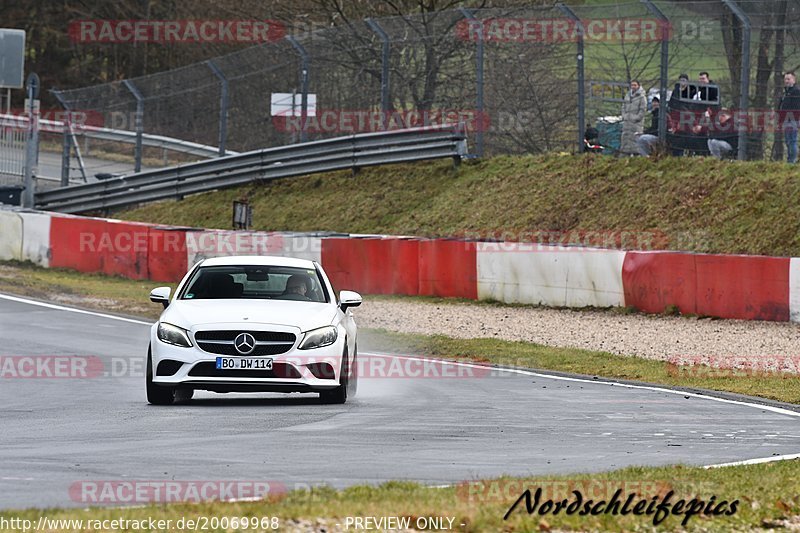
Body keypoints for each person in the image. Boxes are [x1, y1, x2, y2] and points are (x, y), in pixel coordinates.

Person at [620, 80, 646, 155]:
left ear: (638, 86)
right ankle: (625, 154)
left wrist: (636, 118)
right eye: (632, 85)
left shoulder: (642, 97)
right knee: (625, 139)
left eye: (635, 85)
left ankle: (636, 155)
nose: (633, 87)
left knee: (635, 140)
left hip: (636, 123)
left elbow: (643, 110)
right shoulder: (627, 95)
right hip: (626, 122)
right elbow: (623, 106)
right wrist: (624, 116)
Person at [779, 71, 800, 163]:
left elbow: (796, 106)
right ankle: (790, 159)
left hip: (793, 119)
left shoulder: (796, 91)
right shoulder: (786, 92)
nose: (786, 81)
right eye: (785, 79)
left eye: (788, 79)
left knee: (792, 140)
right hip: (786, 120)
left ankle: (792, 160)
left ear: (793, 79)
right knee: (788, 141)